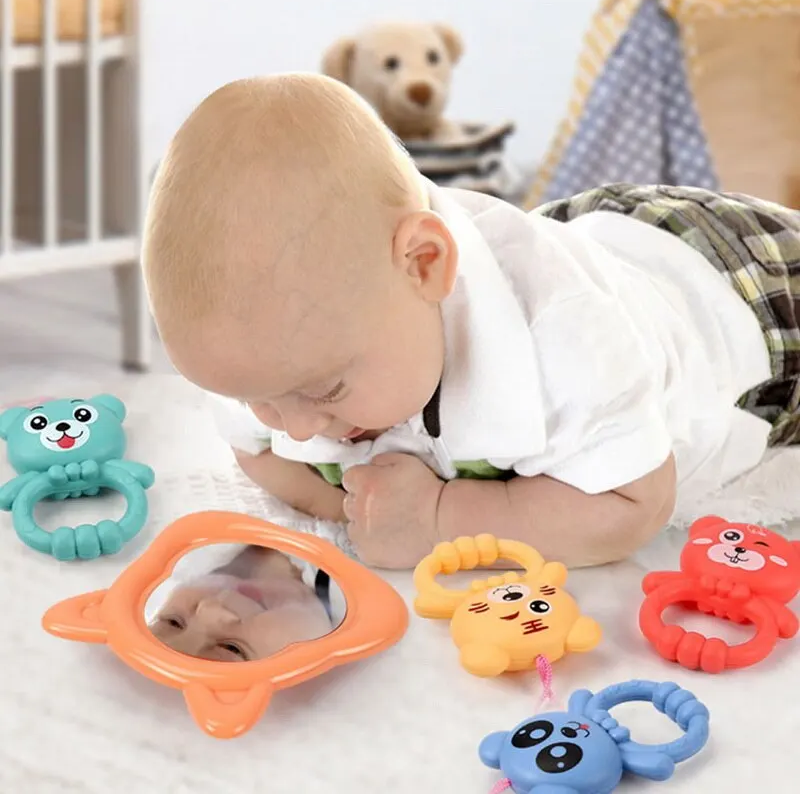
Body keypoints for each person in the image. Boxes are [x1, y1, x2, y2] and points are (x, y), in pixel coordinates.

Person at [141, 73, 800, 570]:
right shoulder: (271, 350)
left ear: (425, 264)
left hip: (736, 296)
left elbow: (635, 505)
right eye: (256, 400)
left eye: (327, 391)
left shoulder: (568, 348)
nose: (297, 428)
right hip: (586, 241)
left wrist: (442, 518)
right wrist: (351, 504)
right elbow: (254, 451)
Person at [149, 544, 335, 662]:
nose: (210, 608)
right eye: (231, 648)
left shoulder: (183, 554)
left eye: (173, 622)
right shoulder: (341, 583)